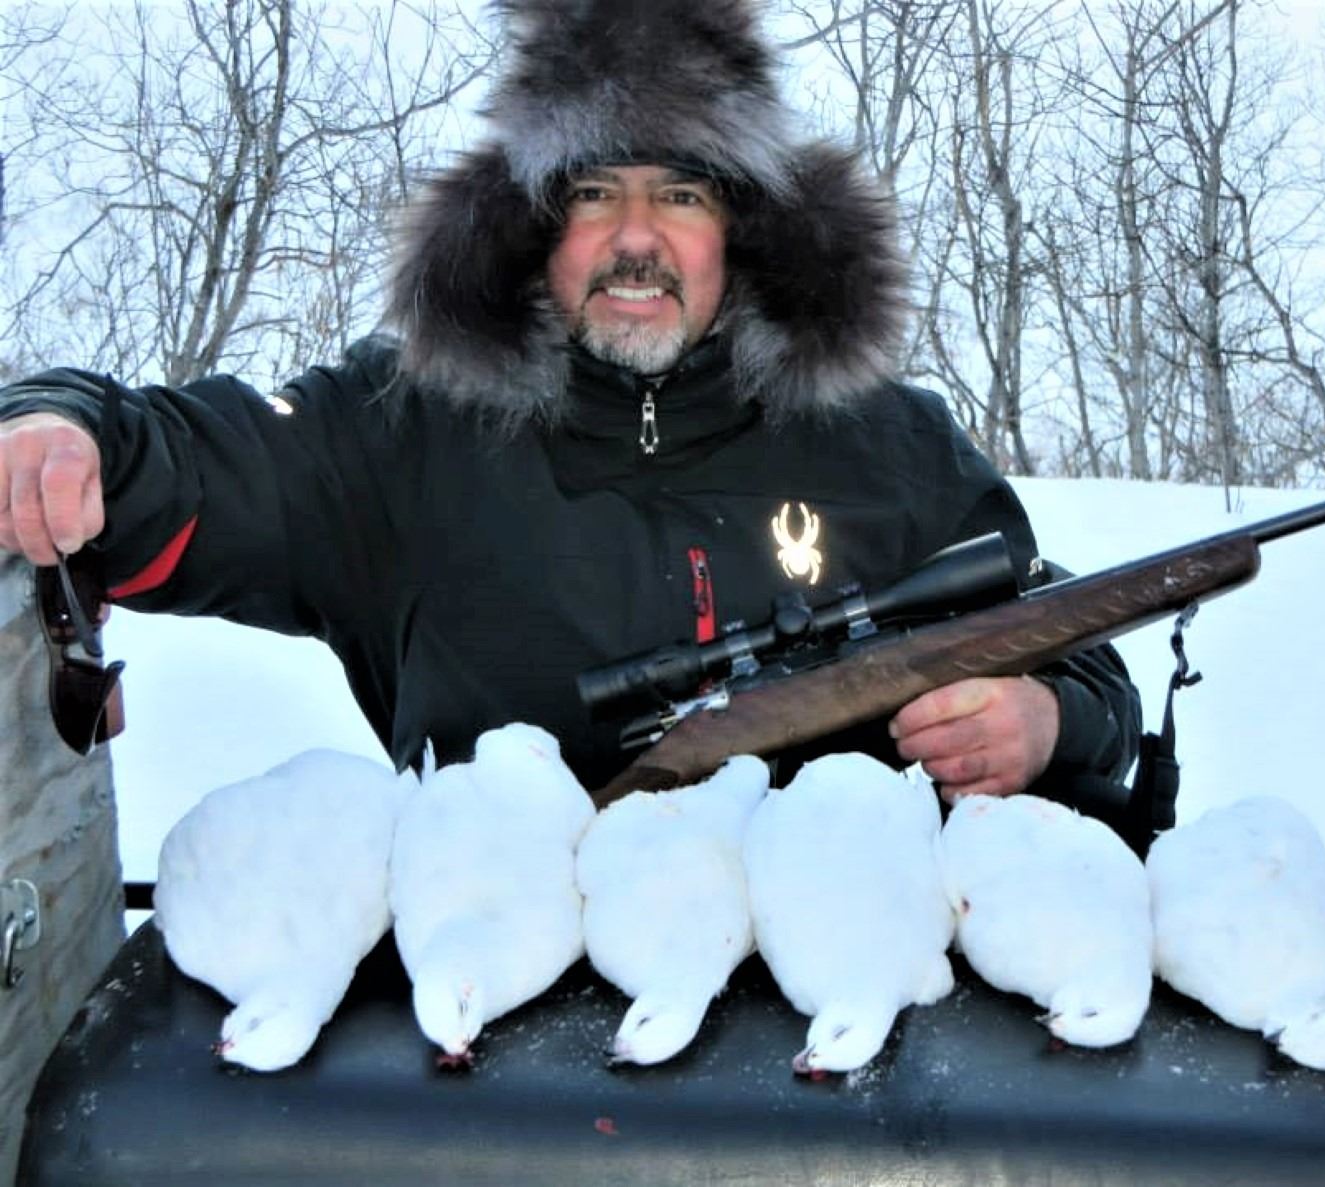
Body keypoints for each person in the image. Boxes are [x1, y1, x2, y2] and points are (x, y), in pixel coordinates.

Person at [0, 0, 1139, 816]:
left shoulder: (889, 443)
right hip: (484, 1017)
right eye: (594, 192)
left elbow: (1075, 652)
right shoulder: (400, 428)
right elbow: (185, 466)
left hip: (843, 1021)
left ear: (742, 232)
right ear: (533, 225)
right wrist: (58, 426)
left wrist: (1041, 722)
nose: (635, 239)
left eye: (680, 193)